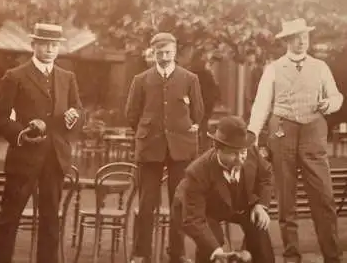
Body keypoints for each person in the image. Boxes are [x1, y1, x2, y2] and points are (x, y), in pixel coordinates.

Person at [248, 18, 344, 263]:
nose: (301, 42)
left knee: (324, 198)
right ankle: (292, 256)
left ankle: (332, 256)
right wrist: (253, 133)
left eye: (305, 37)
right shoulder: (274, 68)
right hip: (282, 134)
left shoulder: (320, 67)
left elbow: (336, 96)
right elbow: (261, 103)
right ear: (287, 41)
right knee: (286, 199)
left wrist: (329, 104)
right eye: (296, 38)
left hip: (313, 133)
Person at [0, 23, 84, 263]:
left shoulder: (67, 77)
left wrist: (74, 116)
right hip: (24, 159)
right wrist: (21, 134)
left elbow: (78, 110)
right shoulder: (15, 76)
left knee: (51, 220)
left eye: (55, 45)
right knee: (9, 219)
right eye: (45, 44)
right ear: (33, 45)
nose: (51, 49)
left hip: (55, 159)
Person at [125, 32, 204, 263]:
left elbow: (198, 112)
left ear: (175, 51)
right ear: (153, 53)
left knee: (178, 202)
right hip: (150, 147)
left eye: (168, 52)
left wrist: (183, 129)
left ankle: (177, 253)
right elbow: (132, 114)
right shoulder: (141, 80)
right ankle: (141, 253)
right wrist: (148, 131)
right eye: (159, 53)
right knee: (147, 202)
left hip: (181, 147)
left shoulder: (190, 79)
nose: (164, 56)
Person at [171, 115, 275, 263]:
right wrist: (216, 251)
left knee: (259, 226)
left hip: (238, 205)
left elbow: (266, 176)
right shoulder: (197, 172)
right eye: (233, 153)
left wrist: (261, 205)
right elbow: (194, 218)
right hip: (201, 210)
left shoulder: (252, 152)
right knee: (212, 242)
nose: (240, 159)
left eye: (242, 152)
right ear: (218, 149)